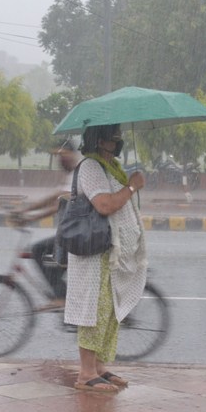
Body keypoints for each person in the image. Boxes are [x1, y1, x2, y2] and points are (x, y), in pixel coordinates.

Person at [65, 124, 147, 393]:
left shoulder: (110, 168)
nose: (119, 140)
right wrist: (132, 187)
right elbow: (104, 204)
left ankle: (99, 367)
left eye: (120, 136)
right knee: (93, 310)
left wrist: (130, 184)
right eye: (113, 137)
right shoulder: (91, 167)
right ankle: (86, 373)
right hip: (94, 251)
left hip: (110, 253)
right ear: (99, 140)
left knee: (109, 311)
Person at [9, 140, 80, 310]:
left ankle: (61, 297)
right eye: (57, 157)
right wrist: (26, 211)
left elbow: (57, 204)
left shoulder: (78, 174)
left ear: (73, 154)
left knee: (38, 250)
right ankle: (64, 297)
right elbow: (56, 197)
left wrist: (28, 216)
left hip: (80, 234)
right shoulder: (72, 175)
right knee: (52, 261)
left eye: (63, 155)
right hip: (74, 231)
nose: (60, 160)